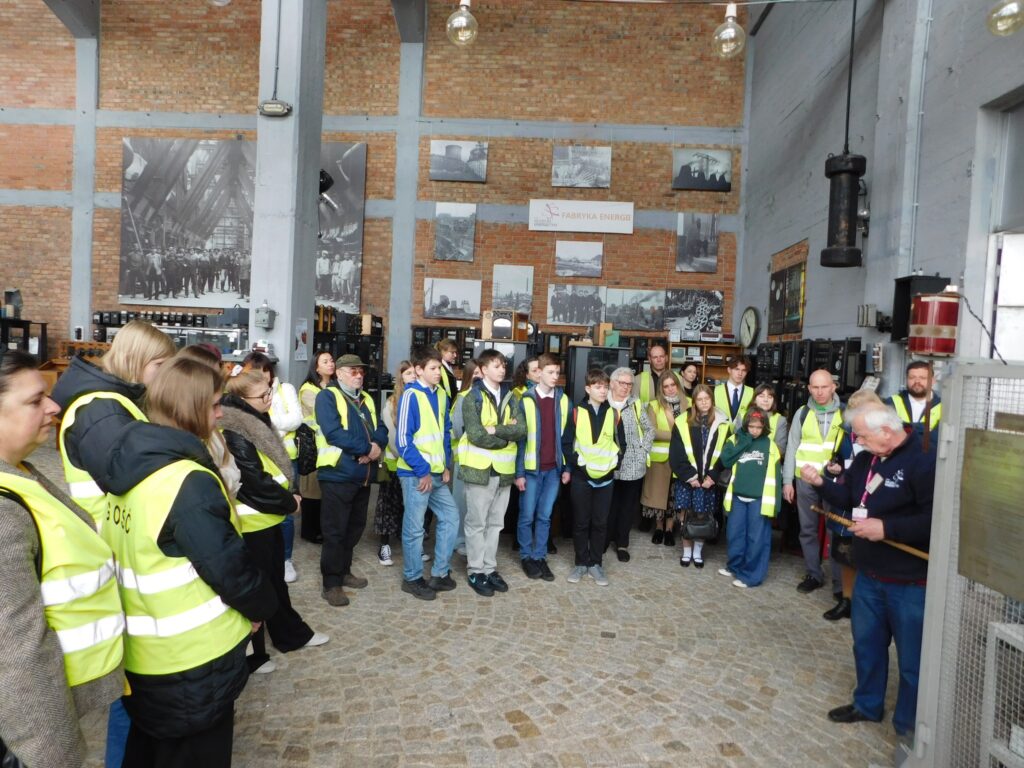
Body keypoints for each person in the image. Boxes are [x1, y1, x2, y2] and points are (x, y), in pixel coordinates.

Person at [102, 357, 277, 768]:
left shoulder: (129, 464)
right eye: (214, 405)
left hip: (146, 654)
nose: (220, 414)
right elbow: (229, 568)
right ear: (189, 408)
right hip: (191, 660)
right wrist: (261, 608)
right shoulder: (186, 481)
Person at [0, 350, 125, 768]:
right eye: (35, 400)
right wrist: (55, 756)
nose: (54, 406)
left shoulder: (21, 474)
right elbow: (15, 651)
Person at [801, 405, 935, 738]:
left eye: (862, 436)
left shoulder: (923, 461)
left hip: (910, 582)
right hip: (869, 575)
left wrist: (887, 529)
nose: (857, 442)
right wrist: (820, 483)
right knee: (866, 646)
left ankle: (908, 726)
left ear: (886, 432)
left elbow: (934, 519)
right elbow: (849, 496)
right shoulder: (866, 458)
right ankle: (867, 704)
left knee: (912, 661)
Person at [220, 370, 328, 673]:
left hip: (268, 517)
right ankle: (254, 655)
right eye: (263, 395)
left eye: (270, 391)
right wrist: (288, 501)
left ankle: (289, 635)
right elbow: (254, 480)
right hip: (253, 521)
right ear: (242, 399)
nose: (270, 399)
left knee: (274, 582)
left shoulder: (254, 420)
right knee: (258, 587)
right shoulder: (236, 430)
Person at [52, 319, 176, 525]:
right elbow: (126, 474)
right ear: (133, 360)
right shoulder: (103, 409)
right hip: (108, 528)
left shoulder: (115, 401)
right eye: (159, 365)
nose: (164, 375)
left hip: (116, 523)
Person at [314, 354, 387, 606]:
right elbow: (333, 433)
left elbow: (381, 428)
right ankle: (331, 583)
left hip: (363, 476)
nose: (359, 375)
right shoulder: (327, 397)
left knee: (354, 528)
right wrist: (366, 449)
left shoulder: (366, 398)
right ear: (340, 374)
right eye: (353, 371)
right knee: (335, 531)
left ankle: (344, 571)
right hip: (338, 474)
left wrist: (376, 446)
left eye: (361, 372)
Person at [458, 350, 526, 596]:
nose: (502, 370)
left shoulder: (511, 397)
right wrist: (505, 436)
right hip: (479, 470)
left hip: (504, 471)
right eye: (496, 366)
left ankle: (489, 568)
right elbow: (476, 434)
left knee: (496, 524)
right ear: (484, 369)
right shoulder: (471, 397)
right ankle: (476, 570)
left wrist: (495, 429)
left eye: (504, 365)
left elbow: (521, 430)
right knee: (477, 523)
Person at [396, 347, 461, 600]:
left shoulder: (442, 394)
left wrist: (445, 465)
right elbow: (403, 441)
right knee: (414, 528)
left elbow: (445, 432)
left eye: (439, 368)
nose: (438, 372)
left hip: (436, 472)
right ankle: (412, 578)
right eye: (433, 368)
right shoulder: (410, 395)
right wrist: (423, 471)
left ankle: (439, 573)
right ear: (419, 370)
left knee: (450, 517)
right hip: (415, 474)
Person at [823, 389, 885, 621]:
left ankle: (867, 603)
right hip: (848, 497)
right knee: (845, 553)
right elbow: (836, 457)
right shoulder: (845, 432)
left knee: (869, 554)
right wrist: (832, 469)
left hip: (873, 500)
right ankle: (846, 600)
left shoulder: (884, 434)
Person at [783, 369, 845, 595]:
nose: (819, 392)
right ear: (809, 388)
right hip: (805, 480)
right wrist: (787, 481)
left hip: (833, 482)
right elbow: (792, 447)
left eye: (824, 387)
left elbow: (853, 449)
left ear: (833, 387)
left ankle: (840, 585)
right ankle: (813, 574)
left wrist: (843, 468)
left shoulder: (846, 414)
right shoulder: (802, 413)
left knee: (835, 530)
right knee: (807, 529)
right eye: (815, 387)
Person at [242, 352, 303, 584]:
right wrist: (273, 426)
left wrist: (265, 424)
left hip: (286, 457)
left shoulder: (285, 389)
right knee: (262, 506)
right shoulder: (244, 393)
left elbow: (296, 420)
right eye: (255, 371)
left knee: (286, 511)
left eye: (264, 370)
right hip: (259, 458)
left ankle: (286, 558)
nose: (261, 375)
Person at [561, 369, 626, 586]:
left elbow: (621, 444)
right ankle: (581, 563)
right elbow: (567, 443)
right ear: (588, 389)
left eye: (605, 387)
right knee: (581, 522)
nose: (603, 391)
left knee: (600, 523)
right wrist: (579, 463)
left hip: (606, 478)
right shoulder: (576, 412)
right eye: (598, 387)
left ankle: (596, 564)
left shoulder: (614, 414)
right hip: (582, 477)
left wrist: (615, 463)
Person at [515, 353, 569, 582]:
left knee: (545, 516)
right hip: (531, 470)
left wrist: (566, 468)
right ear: (539, 373)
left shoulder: (563, 400)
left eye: (557, 372)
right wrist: (519, 473)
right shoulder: (526, 399)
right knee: (527, 516)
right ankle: (526, 556)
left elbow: (567, 438)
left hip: (554, 470)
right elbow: (520, 440)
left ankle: (539, 557)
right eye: (550, 372)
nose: (555, 376)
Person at [718, 408, 782, 588]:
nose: (754, 431)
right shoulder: (735, 439)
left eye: (758, 427)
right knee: (734, 534)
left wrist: (775, 505)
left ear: (764, 427)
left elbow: (775, 477)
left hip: (759, 499)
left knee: (756, 539)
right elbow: (726, 460)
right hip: (737, 496)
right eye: (751, 427)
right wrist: (744, 441)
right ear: (745, 425)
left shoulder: (770, 446)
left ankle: (751, 576)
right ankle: (734, 567)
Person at [669, 383, 730, 569]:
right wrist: (691, 477)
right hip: (688, 480)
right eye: (699, 399)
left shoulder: (723, 422)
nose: (704, 402)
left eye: (707, 398)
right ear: (694, 402)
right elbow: (676, 453)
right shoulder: (682, 421)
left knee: (703, 516)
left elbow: (726, 453)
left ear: (712, 400)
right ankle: (687, 552)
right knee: (685, 516)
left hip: (708, 481)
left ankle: (698, 553)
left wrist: (713, 476)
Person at [606, 367, 653, 562]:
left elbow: (649, 429)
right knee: (608, 505)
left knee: (626, 507)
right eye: (622, 383)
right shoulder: (603, 402)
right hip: (607, 464)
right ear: (612, 383)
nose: (626, 387)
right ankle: (605, 538)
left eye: (629, 384)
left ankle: (622, 543)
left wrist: (643, 451)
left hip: (632, 465)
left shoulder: (635, 404)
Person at [374, 361, 419, 566]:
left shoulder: (420, 399)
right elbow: (392, 436)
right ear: (401, 378)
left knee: (409, 507)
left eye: (414, 373)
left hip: (413, 464)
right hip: (395, 462)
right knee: (388, 505)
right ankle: (384, 546)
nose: (413, 377)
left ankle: (411, 545)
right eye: (408, 373)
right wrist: (406, 456)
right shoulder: (392, 403)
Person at [642, 371, 686, 546]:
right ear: (661, 388)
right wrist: (677, 435)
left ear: (678, 385)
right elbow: (652, 431)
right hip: (659, 459)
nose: (670, 389)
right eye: (666, 386)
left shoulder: (688, 403)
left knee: (674, 496)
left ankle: (669, 529)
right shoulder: (654, 405)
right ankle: (659, 528)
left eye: (673, 385)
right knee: (658, 497)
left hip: (681, 459)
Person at [298, 351, 336, 543]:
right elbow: (323, 414)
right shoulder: (308, 389)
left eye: (331, 360)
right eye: (325, 361)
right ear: (316, 367)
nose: (331, 364)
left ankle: (322, 528)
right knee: (311, 488)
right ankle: (310, 531)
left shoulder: (334, 386)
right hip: (313, 444)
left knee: (323, 490)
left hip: (330, 444)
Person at [450, 359, 482, 557]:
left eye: (481, 373)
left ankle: (469, 539)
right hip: (463, 458)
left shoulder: (483, 397)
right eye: (476, 373)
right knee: (461, 502)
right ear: (469, 376)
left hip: (479, 458)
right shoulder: (463, 397)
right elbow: (458, 429)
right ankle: (459, 539)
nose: (479, 377)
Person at [886, 360, 941, 438]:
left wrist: (904, 427)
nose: (917, 381)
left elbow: (938, 437)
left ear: (933, 381)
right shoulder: (891, 402)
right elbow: (887, 431)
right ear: (906, 379)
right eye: (912, 377)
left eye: (922, 378)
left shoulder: (943, 406)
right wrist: (924, 428)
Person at [713, 356, 754, 430]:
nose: (740, 373)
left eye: (744, 370)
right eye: (736, 369)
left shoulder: (752, 392)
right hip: (720, 434)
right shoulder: (715, 391)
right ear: (729, 370)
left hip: (742, 435)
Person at [752, 384, 789, 458]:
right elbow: (737, 445)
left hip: (768, 461)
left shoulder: (780, 420)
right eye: (761, 396)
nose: (766, 400)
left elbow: (780, 449)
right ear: (754, 400)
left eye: (770, 397)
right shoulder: (742, 416)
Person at [436, 339, 460, 407]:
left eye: (455, 352)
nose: (455, 355)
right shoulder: (439, 368)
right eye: (452, 352)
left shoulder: (448, 366)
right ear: (443, 352)